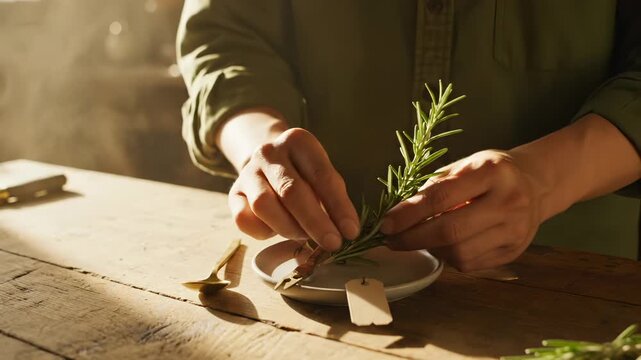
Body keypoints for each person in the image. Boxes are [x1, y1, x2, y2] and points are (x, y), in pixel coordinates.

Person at [177, 0, 641, 271]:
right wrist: (261, 142)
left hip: (571, 284)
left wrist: (544, 179)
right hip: (327, 279)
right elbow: (224, 34)